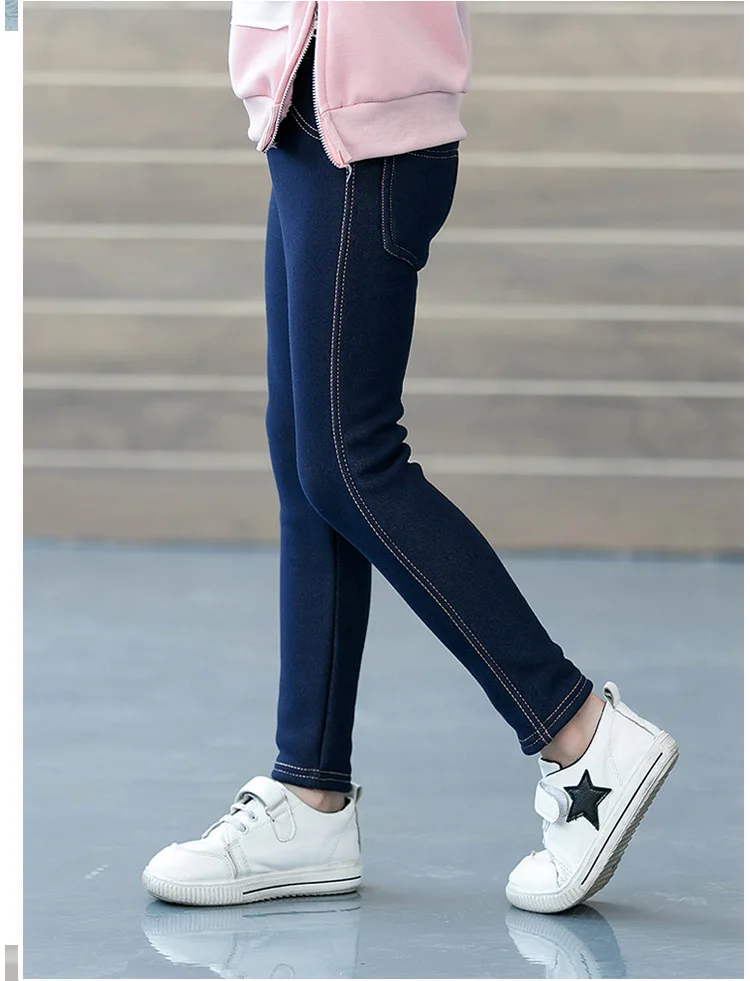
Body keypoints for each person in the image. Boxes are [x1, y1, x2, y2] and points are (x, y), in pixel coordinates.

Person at [142, 0, 678, 915]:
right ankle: (310, 792)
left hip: (365, 114)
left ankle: (579, 730)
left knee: (350, 460)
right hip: (304, 107)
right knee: (306, 459)